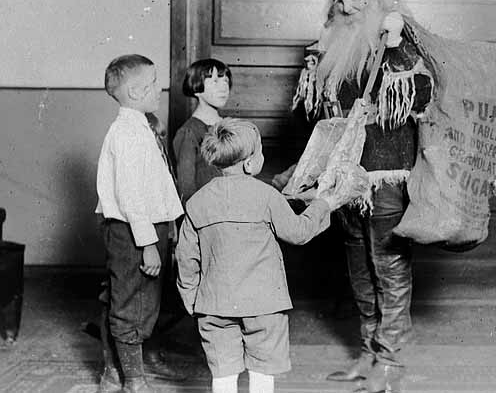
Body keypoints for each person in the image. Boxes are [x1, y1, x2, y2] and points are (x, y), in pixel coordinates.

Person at [289, 0, 439, 393]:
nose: (346, 6)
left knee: (387, 264)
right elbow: (313, 110)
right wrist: (314, 64)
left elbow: (420, 100)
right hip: (344, 174)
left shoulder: (397, 36)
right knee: (358, 263)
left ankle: (390, 363)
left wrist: (393, 50)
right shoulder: (332, 38)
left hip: (385, 174)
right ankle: (369, 352)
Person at [175, 118, 356, 393]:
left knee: (222, 375)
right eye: (260, 151)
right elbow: (299, 232)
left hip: (214, 305)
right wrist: (324, 203)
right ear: (250, 163)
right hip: (264, 306)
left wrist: (192, 300)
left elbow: (187, 260)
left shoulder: (198, 202)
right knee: (262, 373)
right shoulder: (266, 196)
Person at [95, 54, 184, 393]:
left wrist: (168, 226)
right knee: (133, 303)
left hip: (146, 228)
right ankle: (133, 380)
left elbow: (157, 185)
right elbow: (131, 196)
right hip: (134, 232)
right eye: (154, 83)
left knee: (127, 297)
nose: (160, 88)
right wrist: (148, 243)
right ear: (134, 92)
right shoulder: (128, 133)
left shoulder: (140, 127)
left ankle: (114, 371)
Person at [172, 58, 232, 203]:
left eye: (225, 81)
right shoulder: (189, 132)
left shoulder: (230, 126)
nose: (224, 87)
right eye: (215, 81)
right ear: (197, 87)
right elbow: (186, 189)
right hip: (206, 210)